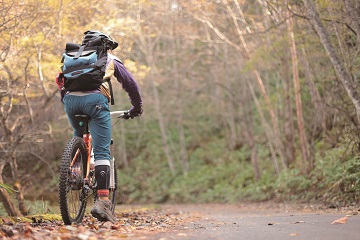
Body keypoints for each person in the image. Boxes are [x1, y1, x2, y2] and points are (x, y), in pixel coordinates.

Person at [62, 30, 142, 222]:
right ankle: (103, 201)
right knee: (101, 151)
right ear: (105, 45)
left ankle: (75, 174)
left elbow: (62, 83)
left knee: (78, 137)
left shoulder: (73, 57)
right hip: (96, 103)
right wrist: (137, 107)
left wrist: (68, 105)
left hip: (70, 102)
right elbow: (130, 83)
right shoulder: (108, 58)